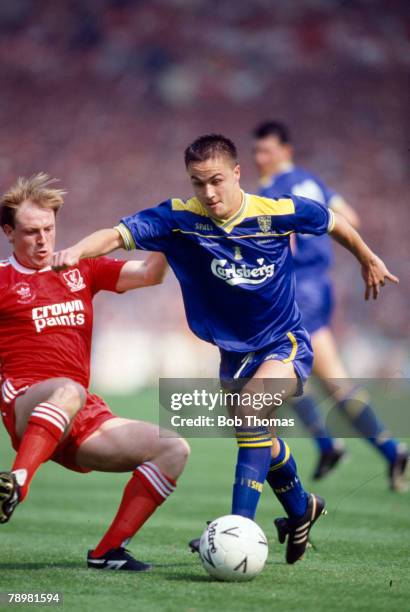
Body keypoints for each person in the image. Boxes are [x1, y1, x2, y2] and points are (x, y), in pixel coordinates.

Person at [53, 134, 398, 564]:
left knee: (253, 414)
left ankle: (237, 529)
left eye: (216, 180)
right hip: (233, 354)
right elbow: (117, 234)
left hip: (284, 342)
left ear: (237, 173)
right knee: (258, 437)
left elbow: (332, 221)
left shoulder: (276, 210)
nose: (209, 193)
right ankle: (301, 507)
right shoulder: (179, 218)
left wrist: (367, 258)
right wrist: (75, 251)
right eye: (198, 183)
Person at [0, 173, 190, 571]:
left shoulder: (80, 268)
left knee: (173, 448)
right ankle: (16, 483)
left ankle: (108, 551)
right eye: (31, 231)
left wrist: (175, 234)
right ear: (7, 232)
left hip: (80, 413)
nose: (43, 240)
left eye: (49, 229)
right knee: (69, 389)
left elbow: (150, 275)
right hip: (26, 401)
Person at [252, 120, 408, 489]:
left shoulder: (272, 190)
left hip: (296, 289)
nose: (260, 158)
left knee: (270, 366)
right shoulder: (312, 181)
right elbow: (349, 219)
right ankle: (387, 449)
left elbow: (281, 241)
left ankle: (331, 444)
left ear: (285, 151)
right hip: (322, 286)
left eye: (267, 151)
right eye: (257, 151)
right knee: (328, 378)